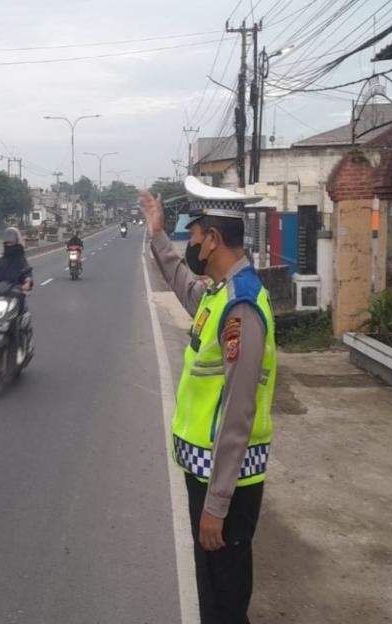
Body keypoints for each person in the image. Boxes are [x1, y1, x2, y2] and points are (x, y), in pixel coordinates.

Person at [140, 176, 276, 624]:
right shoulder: (218, 296)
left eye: (194, 235)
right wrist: (157, 232)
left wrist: (217, 505)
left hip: (227, 486)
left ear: (213, 239)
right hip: (207, 474)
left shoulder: (241, 307)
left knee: (224, 604)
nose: (191, 244)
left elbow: (238, 414)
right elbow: (182, 283)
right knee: (214, 595)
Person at [0, 227, 33, 296]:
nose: (9, 244)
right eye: (7, 242)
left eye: (11, 242)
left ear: (17, 241)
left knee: (22, 304)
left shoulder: (21, 259)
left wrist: (27, 282)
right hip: (1, 292)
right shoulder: (2, 260)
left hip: (17, 292)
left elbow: (27, 273)